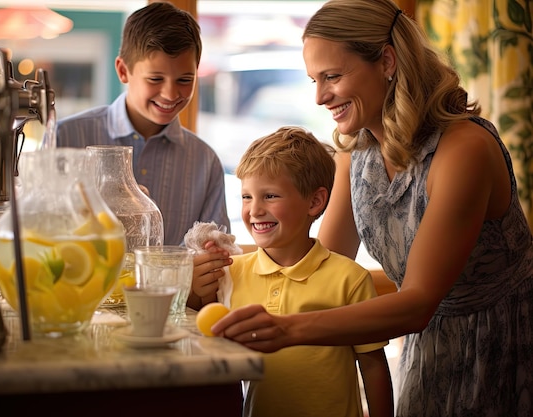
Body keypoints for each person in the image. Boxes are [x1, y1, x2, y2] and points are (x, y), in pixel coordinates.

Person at [205, 0, 533, 416]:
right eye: (314, 80)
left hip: (501, 348)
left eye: (333, 76)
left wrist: (288, 329)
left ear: (388, 61)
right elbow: (319, 263)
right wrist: (221, 264)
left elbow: (417, 303)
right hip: (426, 349)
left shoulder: (463, 150)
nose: (321, 96)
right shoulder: (356, 152)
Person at [188, 126, 394, 417]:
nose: (254, 210)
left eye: (270, 196)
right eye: (246, 197)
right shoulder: (230, 274)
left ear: (314, 202)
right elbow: (198, 339)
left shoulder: (350, 278)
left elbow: (373, 366)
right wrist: (195, 293)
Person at [56, 1, 230, 245]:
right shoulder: (65, 138)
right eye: (155, 78)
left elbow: (217, 251)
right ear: (123, 71)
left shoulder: (205, 162)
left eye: (184, 79)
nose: (170, 94)